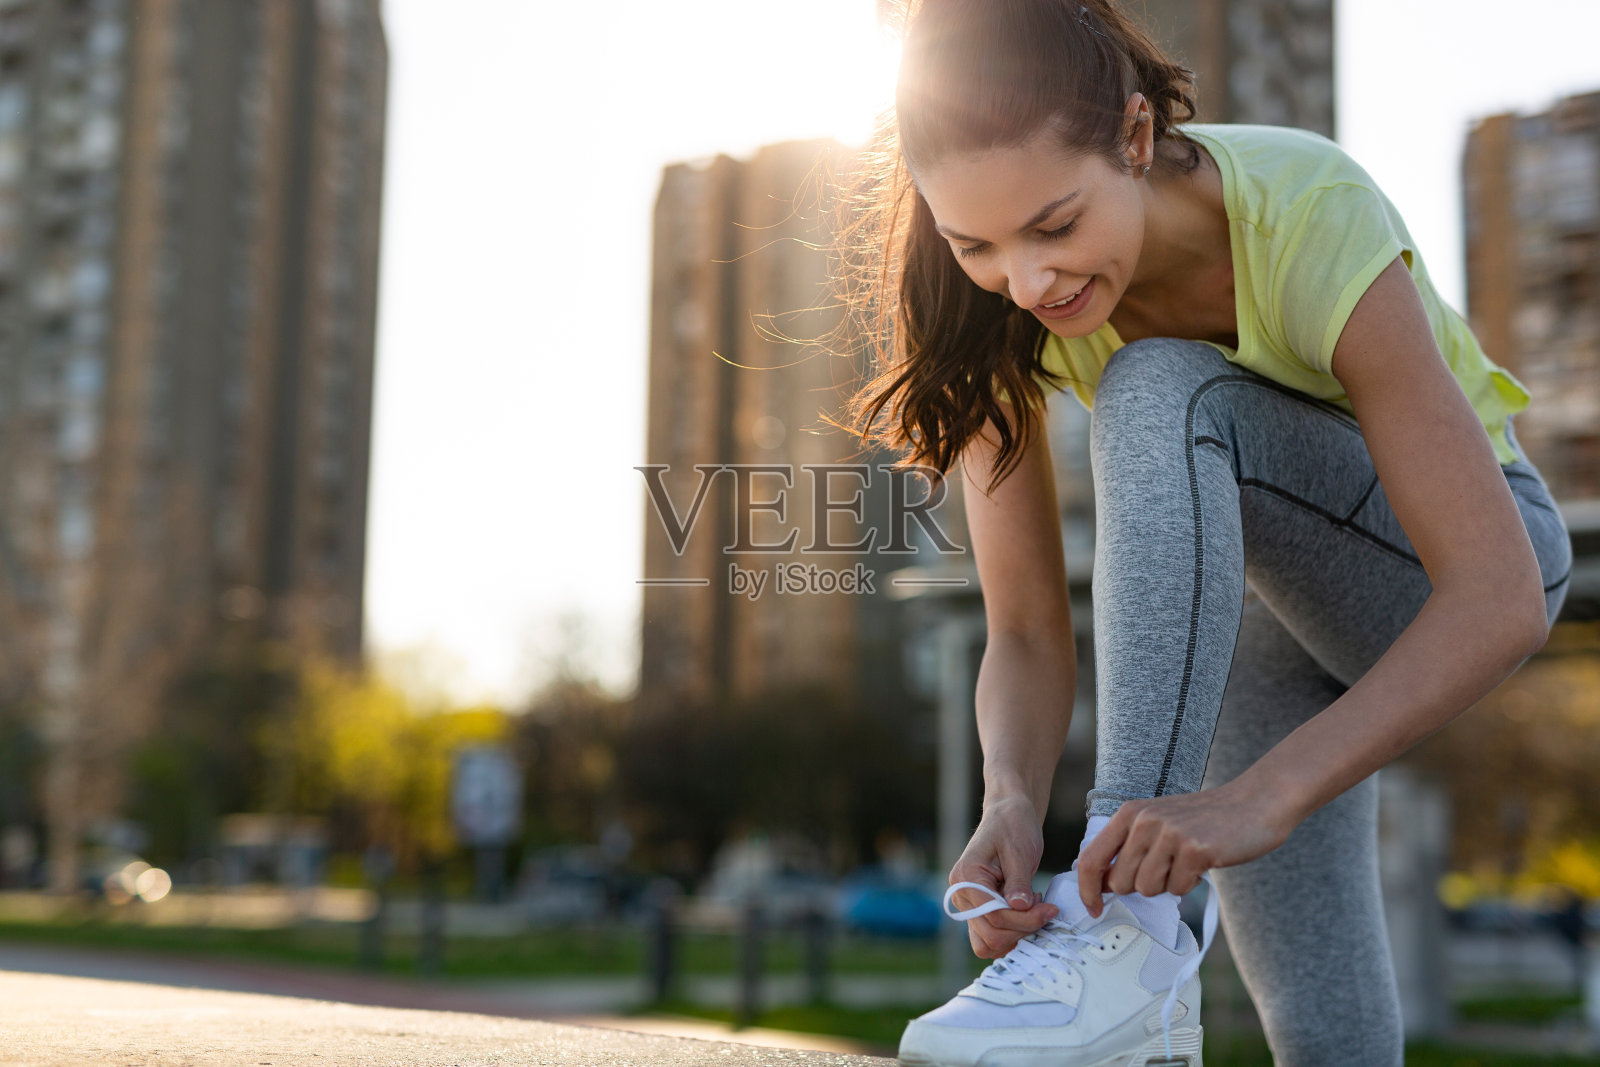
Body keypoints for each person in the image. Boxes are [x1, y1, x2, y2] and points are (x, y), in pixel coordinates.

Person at [836, 1, 1574, 1064]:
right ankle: (1142, 990)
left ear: (1135, 138)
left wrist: (1262, 794)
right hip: (1274, 626)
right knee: (1323, 1025)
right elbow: (1032, 630)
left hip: (1450, 572)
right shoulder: (990, 313)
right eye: (976, 244)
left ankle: (1114, 936)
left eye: (1054, 225)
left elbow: (1498, 597)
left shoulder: (1305, 209)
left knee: (1159, 385)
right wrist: (1010, 802)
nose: (1028, 281)